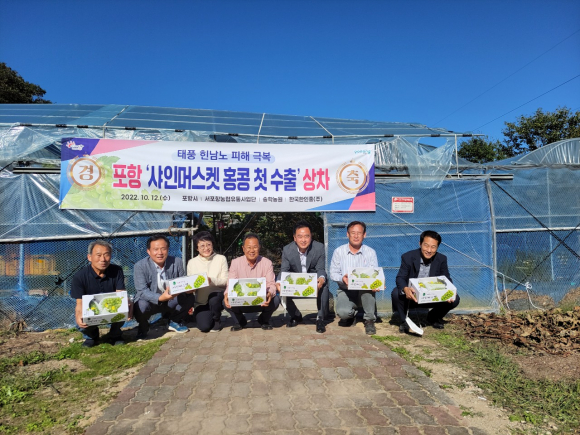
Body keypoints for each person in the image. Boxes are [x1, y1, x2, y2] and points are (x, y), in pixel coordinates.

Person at [391, 230, 460, 332]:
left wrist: (450, 290)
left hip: (432, 296)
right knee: (396, 292)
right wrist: (405, 289)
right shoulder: (408, 257)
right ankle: (404, 321)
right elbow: (400, 277)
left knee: (455, 298)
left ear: (437, 247)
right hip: (413, 296)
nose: (429, 250)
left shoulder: (441, 259)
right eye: (426, 245)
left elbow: (446, 278)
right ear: (420, 244)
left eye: (433, 247)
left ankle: (433, 317)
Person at [133, 234, 194, 339]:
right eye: (156, 249)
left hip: (171, 300)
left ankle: (174, 321)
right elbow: (142, 291)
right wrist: (161, 297)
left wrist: (188, 289)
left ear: (168, 249)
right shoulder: (140, 266)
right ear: (148, 251)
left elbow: (182, 283)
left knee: (190, 297)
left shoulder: (177, 262)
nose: (160, 253)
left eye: (163, 249)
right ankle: (143, 326)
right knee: (141, 305)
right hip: (151, 302)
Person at [71, 240, 127, 347]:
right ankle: (91, 336)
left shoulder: (117, 271)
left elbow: (120, 294)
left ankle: (115, 334)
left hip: (111, 307)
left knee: (124, 307)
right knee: (80, 321)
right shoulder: (79, 276)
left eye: (106, 255)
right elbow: (79, 303)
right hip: (92, 309)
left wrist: (126, 305)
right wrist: (78, 315)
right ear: (89, 257)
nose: (103, 259)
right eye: (98, 255)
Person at [276, 220, 328, 333]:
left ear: (311, 237)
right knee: (281, 286)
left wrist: (321, 278)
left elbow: (320, 269)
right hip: (296, 282)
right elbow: (284, 270)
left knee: (324, 284)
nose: (303, 240)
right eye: (300, 236)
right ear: (295, 238)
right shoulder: (287, 250)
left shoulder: (319, 248)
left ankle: (320, 318)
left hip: (312, 283)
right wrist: (278, 281)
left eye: (306, 236)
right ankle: (296, 316)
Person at [330, 221, 380, 335]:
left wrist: (377, 284)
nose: (356, 236)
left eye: (359, 233)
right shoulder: (338, 251)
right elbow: (333, 273)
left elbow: (374, 274)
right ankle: (351, 315)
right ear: (347, 234)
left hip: (364, 290)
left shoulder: (370, 252)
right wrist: (342, 278)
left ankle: (369, 320)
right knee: (343, 313)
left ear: (364, 235)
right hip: (345, 290)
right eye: (353, 233)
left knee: (367, 289)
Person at [225, 233, 280, 331]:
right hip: (241, 301)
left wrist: (269, 293)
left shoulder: (267, 263)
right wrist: (226, 294)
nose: (251, 250)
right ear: (243, 248)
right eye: (248, 247)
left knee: (275, 300)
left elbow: (271, 284)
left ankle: (263, 320)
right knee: (224, 301)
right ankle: (240, 321)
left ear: (259, 247)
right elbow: (230, 283)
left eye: (255, 247)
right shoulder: (235, 262)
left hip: (261, 302)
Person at [186, 231, 228, 333]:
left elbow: (226, 281)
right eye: (202, 246)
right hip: (201, 301)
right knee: (204, 327)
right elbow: (190, 284)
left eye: (208, 244)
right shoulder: (192, 263)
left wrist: (211, 280)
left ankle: (217, 319)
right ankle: (204, 315)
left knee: (213, 299)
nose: (206, 248)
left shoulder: (221, 259)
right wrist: (189, 289)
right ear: (197, 248)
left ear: (212, 244)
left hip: (217, 297)